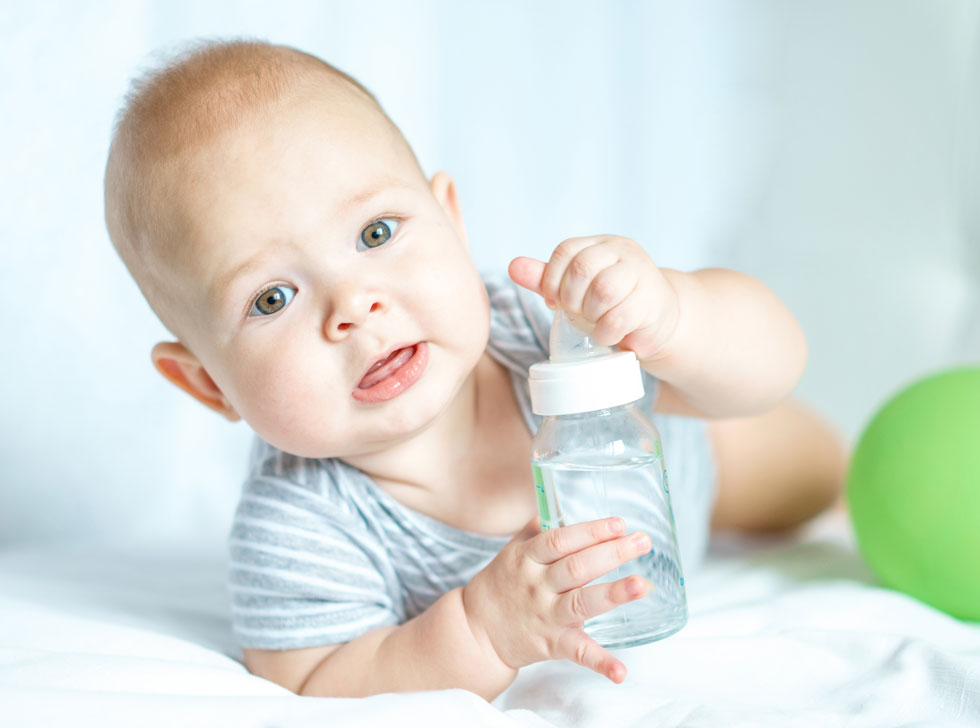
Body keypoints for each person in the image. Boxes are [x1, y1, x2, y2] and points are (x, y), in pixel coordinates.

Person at [103, 39, 847, 700]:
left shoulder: (542, 326)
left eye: (375, 232)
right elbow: (313, 678)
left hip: (687, 465)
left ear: (449, 219)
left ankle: (847, 473)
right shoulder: (301, 524)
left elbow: (775, 361)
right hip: (616, 566)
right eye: (272, 297)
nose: (354, 306)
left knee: (800, 464)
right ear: (207, 384)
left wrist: (677, 313)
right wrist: (480, 631)